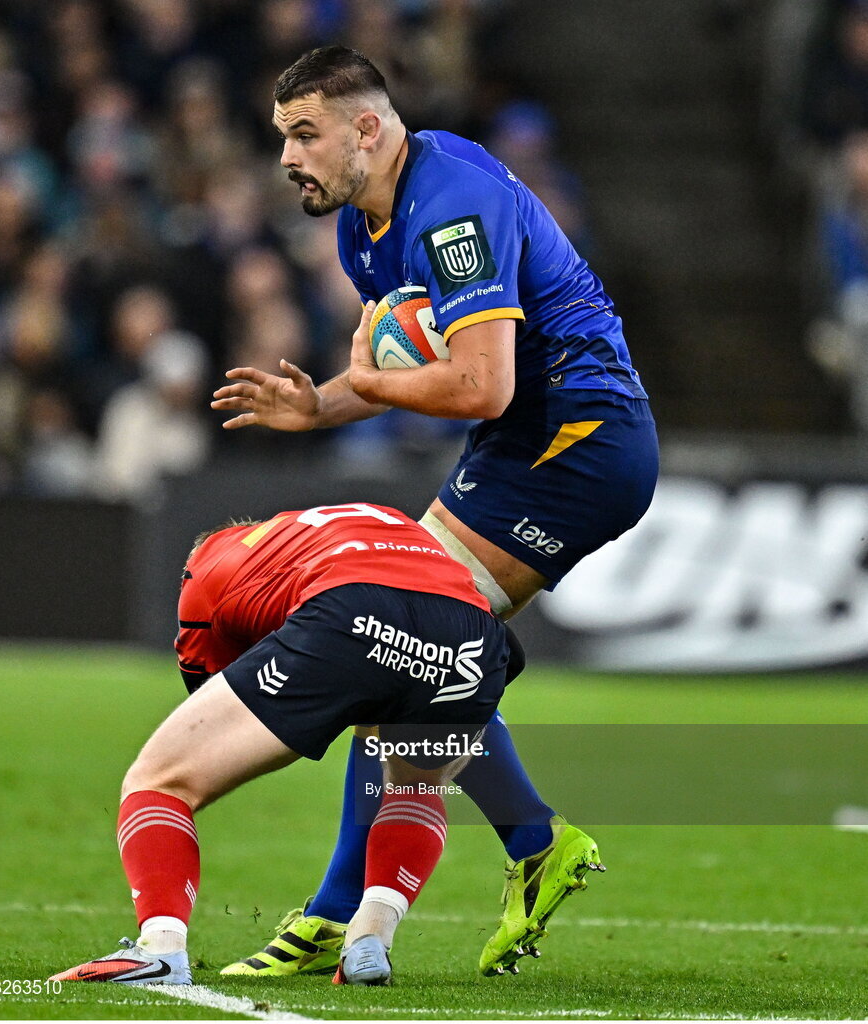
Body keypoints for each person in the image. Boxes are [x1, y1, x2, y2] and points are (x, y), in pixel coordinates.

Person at [210, 46, 657, 976]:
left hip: (579, 436)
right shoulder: (362, 227)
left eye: (305, 134)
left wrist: (365, 378)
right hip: (521, 445)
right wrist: (319, 405)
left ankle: (338, 912)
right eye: (281, 135)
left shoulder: (451, 205)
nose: (288, 156)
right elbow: (400, 369)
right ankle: (534, 847)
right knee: (409, 652)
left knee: (393, 632)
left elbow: (482, 384)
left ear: (366, 129)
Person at [49, 501, 513, 987]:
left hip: (350, 610)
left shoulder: (209, 557)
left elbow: (205, 685)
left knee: (162, 779)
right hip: (473, 634)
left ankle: (160, 950)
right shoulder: (360, 521)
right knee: (413, 786)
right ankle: (369, 940)